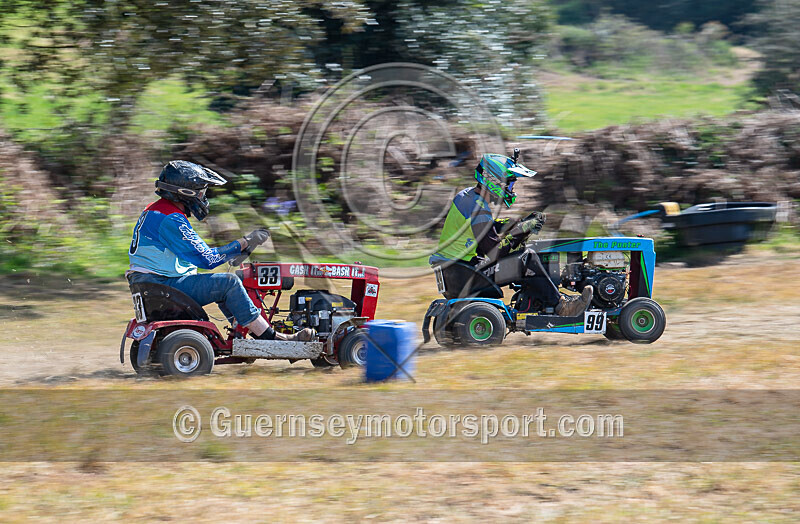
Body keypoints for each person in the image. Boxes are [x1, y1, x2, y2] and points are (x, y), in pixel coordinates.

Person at [127, 160, 312, 341]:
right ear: (185, 192)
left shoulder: (154, 211)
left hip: (149, 285)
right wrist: (244, 242)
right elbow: (208, 260)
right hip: (162, 286)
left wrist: (239, 248)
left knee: (229, 282)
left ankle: (240, 334)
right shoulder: (171, 219)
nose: (203, 197)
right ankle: (274, 338)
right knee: (228, 283)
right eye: (201, 192)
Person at [430, 152, 593, 316]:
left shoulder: (467, 196)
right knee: (526, 257)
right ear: (495, 181)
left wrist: (517, 224)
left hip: (456, 271)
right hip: (465, 274)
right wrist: (520, 231)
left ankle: (541, 301)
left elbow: (485, 228)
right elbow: (494, 251)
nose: (511, 190)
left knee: (520, 255)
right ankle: (562, 307)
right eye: (509, 185)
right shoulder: (478, 207)